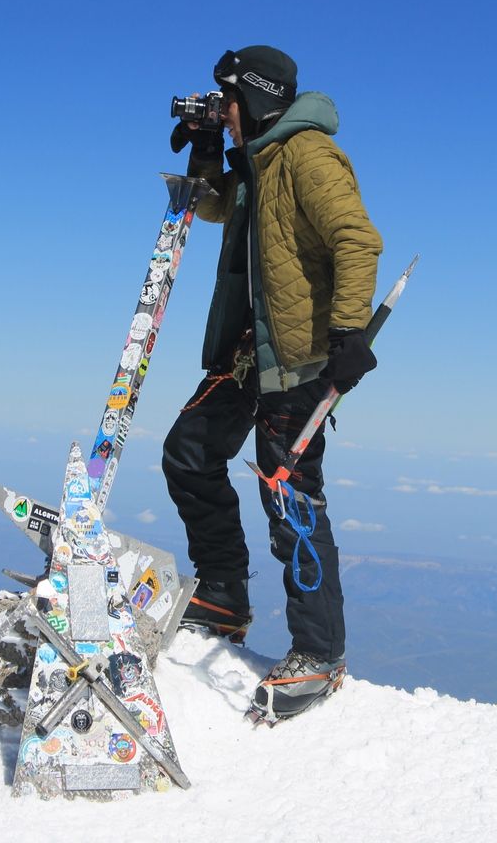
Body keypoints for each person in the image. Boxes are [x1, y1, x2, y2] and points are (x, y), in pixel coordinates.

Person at [162, 46, 383, 721]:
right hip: (247, 353)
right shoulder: (259, 159)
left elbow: (356, 239)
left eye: (225, 101)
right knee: (190, 451)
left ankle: (317, 653)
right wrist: (205, 153)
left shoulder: (306, 155)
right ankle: (222, 596)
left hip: (300, 360)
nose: (221, 112)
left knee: (287, 493)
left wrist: (347, 336)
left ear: (254, 97)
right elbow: (212, 210)